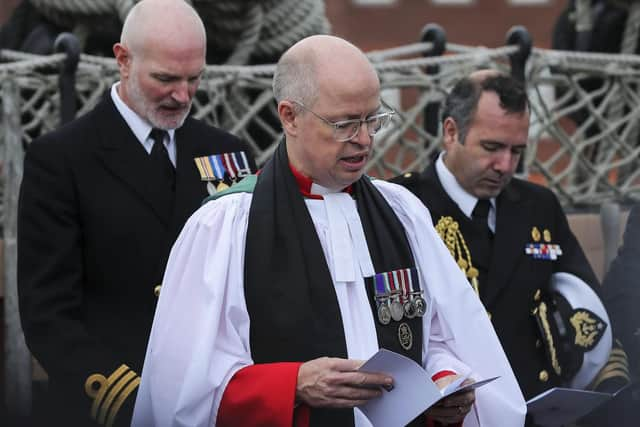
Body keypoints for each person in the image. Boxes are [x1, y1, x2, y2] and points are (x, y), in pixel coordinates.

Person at [131, 35, 525, 427]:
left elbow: (443, 336)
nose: (365, 139)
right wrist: (293, 385)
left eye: (373, 119)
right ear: (289, 117)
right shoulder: (226, 226)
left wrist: (444, 382)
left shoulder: (401, 213)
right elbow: (183, 389)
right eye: (345, 124)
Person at [17, 0, 255, 426]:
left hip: (209, 398)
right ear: (123, 61)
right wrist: (132, 402)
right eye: (165, 78)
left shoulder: (226, 154)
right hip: (111, 403)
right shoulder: (62, 160)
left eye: (193, 79)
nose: (182, 95)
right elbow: (48, 315)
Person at [392, 70, 628, 409]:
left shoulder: (539, 206)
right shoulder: (404, 205)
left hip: (536, 409)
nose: (505, 165)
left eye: (517, 151)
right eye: (491, 147)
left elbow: (590, 309)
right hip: (452, 411)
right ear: (450, 132)